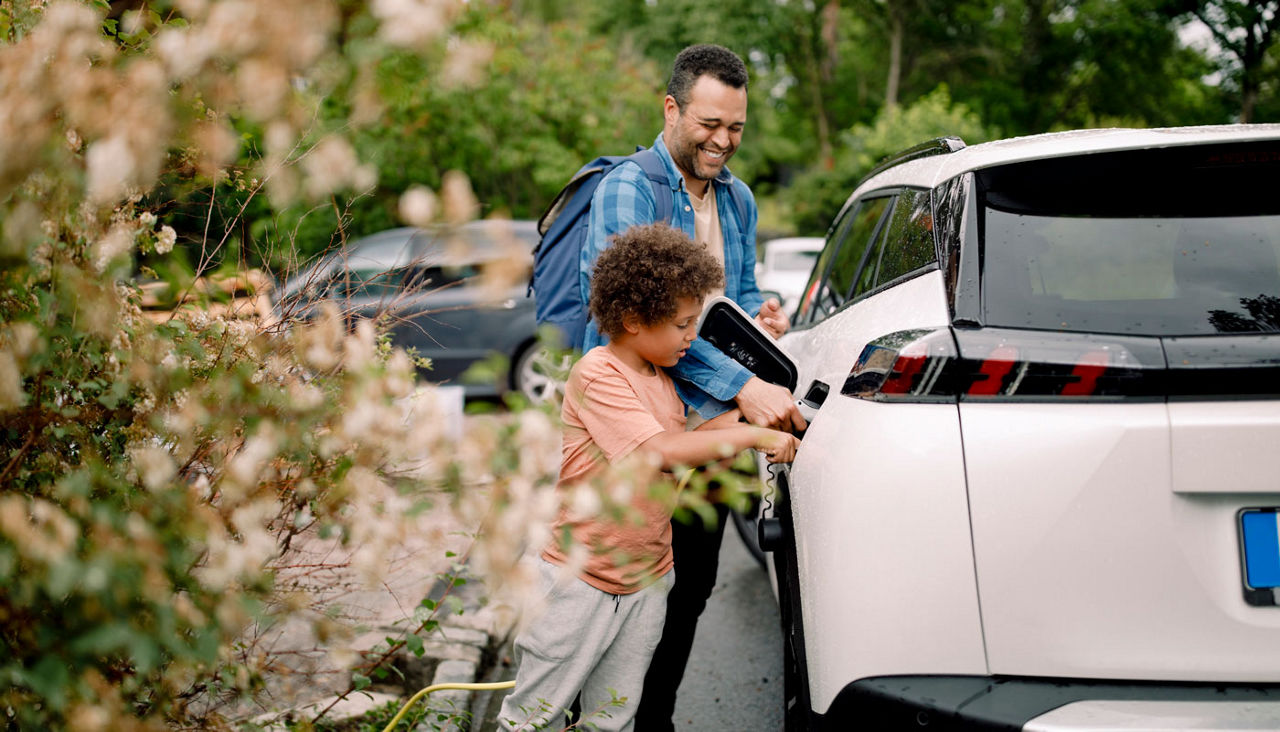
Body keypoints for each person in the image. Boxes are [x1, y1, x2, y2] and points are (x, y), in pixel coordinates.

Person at [579, 44, 806, 730]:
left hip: (708, 435)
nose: (723, 141)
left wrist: (760, 313)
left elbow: (730, 296)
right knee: (619, 595)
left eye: (736, 127)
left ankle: (655, 721)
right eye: (710, 124)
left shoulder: (736, 197)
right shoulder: (630, 188)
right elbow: (643, 323)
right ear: (671, 108)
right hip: (640, 431)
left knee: (692, 591)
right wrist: (745, 386)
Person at [498, 224, 799, 732]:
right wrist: (753, 439)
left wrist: (764, 419)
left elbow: (692, 442)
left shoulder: (661, 376)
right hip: (579, 583)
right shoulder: (598, 375)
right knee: (534, 717)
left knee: (612, 716)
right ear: (634, 320)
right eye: (683, 325)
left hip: (646, 581)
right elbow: (660, 452)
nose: (692, 337)